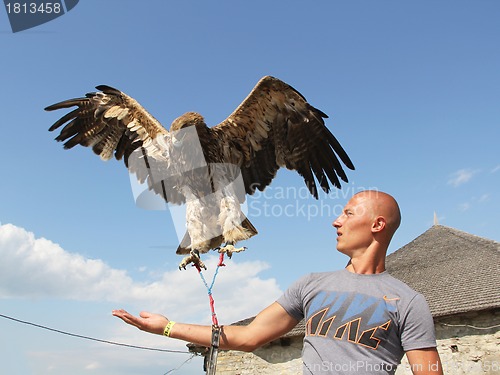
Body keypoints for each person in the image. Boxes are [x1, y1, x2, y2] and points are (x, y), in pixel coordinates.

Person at [113, 190, 444, 374]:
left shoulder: (408, 302)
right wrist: (168, 327)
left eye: (348, 213)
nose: (336, 221)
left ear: (377, 224)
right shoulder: (312, 285)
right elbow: (246, 336)